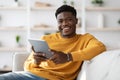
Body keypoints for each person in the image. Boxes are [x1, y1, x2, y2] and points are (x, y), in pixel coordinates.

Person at [0, 5, 106, 80]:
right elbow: (27, 66)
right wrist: (35, 61)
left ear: (76, 21)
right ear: (57, 23)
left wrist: (68, 57)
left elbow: (100, 48)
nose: (64, 24)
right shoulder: (46, 39)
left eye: (69, 19)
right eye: (60, 21)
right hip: (33, 75)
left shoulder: (85, 39)